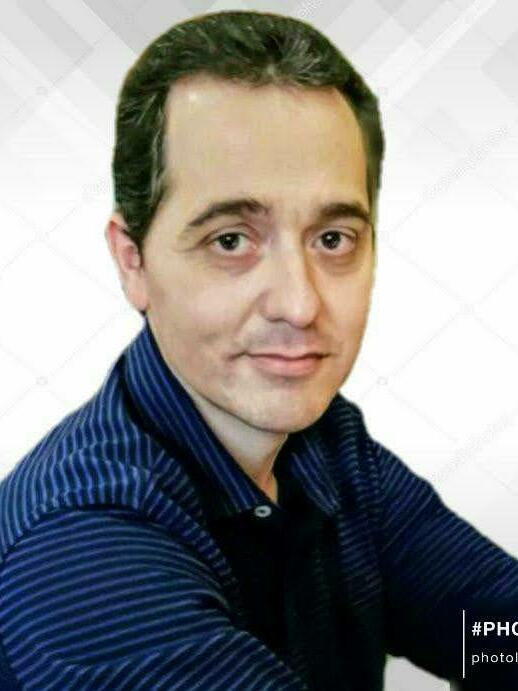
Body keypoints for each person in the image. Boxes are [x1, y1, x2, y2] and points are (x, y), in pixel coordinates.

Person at [0, 10, 517, 690]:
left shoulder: (329, 449)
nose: (300, 304)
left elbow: (486, 633)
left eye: (332, 239)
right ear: (133, 261)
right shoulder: (81, 551)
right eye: (231, 240)